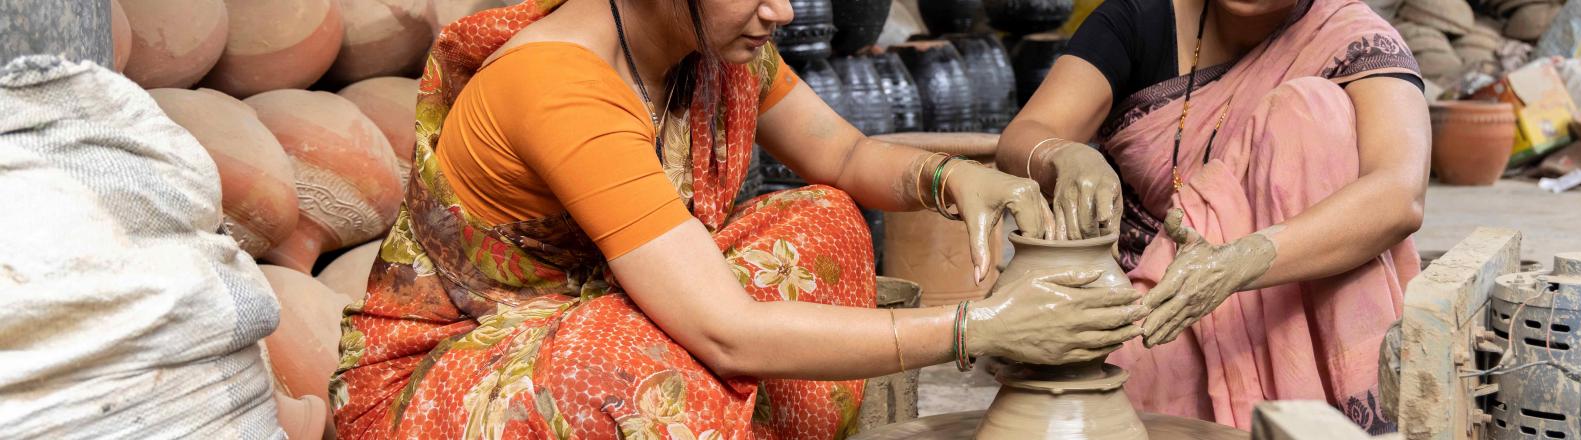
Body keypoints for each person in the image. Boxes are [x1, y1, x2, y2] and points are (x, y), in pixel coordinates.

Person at [329, 1, 1147, 438]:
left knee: (820, 220)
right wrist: (981, 327)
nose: (784, 11)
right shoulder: (559, 83)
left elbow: (847, 160)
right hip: (441, 388)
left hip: (603, 316)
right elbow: (725, 331)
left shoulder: (711, 44)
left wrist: (957, 177)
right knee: (648, 359)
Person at [996, 0, 1430, 432]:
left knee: (1309, 108)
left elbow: (1399, 195)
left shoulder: (1350, 37)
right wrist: (1062, 154)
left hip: (1295, 293)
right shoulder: (1136, 19)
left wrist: (1241, 261)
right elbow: (1025, 134)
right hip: (1161, 306)